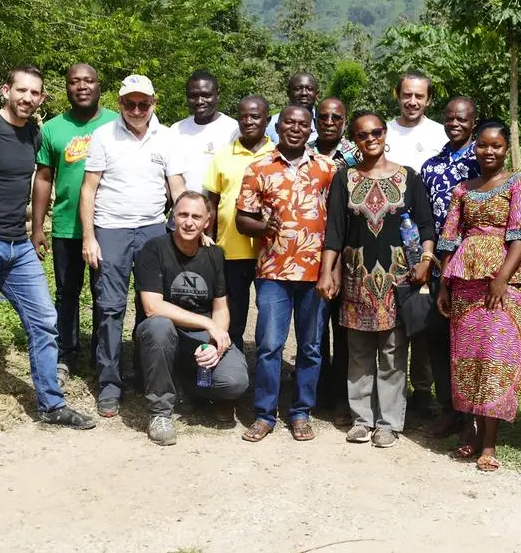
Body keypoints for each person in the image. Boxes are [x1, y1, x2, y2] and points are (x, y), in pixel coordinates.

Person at [0, 65, 95, 435]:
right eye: (21, 91)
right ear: (6, 90)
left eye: (35, 93)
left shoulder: (33, 133)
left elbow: (39, 182)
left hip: (18, 246)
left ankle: (51, 405)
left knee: (44, 322)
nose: (28, 99)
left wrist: (36, 230)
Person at [318, 110, 436, 448]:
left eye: (376, 133)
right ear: (354, 140)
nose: (370, 140)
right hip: (356, 278)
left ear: (385, 135)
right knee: (358, 352)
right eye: (362, 135)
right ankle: (361, 419)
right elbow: (334, 231)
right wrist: (327, 271)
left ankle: (388, 422)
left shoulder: (408, 178)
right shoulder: (344, 179)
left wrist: (426, 260)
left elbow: (426, 225)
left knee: (393, 352)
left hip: (398, 279)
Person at [435, 119, 521, 472]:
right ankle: (471, 432)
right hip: (464, 279)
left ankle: (490, 443)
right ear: (474, 148)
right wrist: (443, 284)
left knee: (497, 355)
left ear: (506, 148)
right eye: (483, 145)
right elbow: (449, 238)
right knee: (466, 355)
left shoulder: (518, 184)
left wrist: (501, 280)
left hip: (503, 281)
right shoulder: (463, 189)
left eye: (496, 145)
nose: (489, 151)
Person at [80, 74, 187, 418]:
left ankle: (147, 373)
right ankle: (110, 383)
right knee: (110, 307)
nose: (137, 110)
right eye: (130, 103)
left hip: (153, 229)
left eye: (144, 103)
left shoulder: (168, 137)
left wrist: (189, 227)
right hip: (111, 228)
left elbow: (177, 187)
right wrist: (89, 237)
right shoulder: (103, 135)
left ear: (154, 103)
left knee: (151, 307)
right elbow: (88, 189)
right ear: (120, 104)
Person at [237, 105, 336, 443]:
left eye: (303, 124)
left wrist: (331, 269)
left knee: (310, 347)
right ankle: (265, 414)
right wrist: (262, 225)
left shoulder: (327, 168)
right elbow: (242, 220)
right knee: (268, 345)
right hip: (273, 271)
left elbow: (337, 222)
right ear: (278, 126)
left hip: (315, 272)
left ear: (311, 129)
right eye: (289, 123)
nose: (296, 128)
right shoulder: (259, 167)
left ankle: (301, 412)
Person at [135, 191, 250, 445]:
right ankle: (160, 413)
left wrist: (214, 342)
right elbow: (152, 306)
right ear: (173, 217)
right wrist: (207, 323)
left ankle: (186, 385)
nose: (189, 222)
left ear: (207, 222)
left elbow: (220, 308)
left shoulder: (215, 254)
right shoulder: (153, 249)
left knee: (236, 382)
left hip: (197, 336)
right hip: (162, 334)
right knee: (159, 326)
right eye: (183, 215)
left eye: (196, 217)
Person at [31, 64, 118, 390]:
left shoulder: (116, 122)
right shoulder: (53, 129)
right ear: (66, 87)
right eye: (74, 81)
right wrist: (38, 227)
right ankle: (66, 354)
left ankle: (101, 355)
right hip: (67, 228)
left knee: (103, 295)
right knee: (66, 294)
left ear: (99, 86)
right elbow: (43, 178)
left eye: (89, 81)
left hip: (107, 226)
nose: (82, 86)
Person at [385, 70, 448, 417]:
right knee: (392, 316)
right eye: (407, 95)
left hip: (427, 238)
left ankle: (423, 391)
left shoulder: (439, 134)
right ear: (397, 95)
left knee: (423, 315)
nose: (412, 102)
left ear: (428, 99)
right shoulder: (384, 131)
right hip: (385, 237)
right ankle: (392, 390)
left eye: (419, 96)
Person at [419, 95, 481, 438]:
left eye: (463, 118)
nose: (455, 123)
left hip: (475, 265)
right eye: (450, 118)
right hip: (441, 264)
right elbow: (425, 218)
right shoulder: (431, 166)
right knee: (438, 338)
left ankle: (472, 412)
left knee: (471, 339)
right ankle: (448, 409)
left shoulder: (483, 159)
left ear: (473, 121)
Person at [203, 96, 275, 352]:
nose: (249, 121)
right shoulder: (222, 157)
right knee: (233, 314)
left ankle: (266, 367)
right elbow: (212, 202)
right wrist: (207, 240)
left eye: (255, 116)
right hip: (231, 250)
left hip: (270, 251)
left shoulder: (278, 155)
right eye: (243, 116)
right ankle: (231, 366)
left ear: (267, 119)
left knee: (269, 316)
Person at [309, 97, 360, 418]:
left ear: (344, 121)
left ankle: (342, 395)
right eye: (323, 116)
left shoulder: (356, 156)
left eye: (336, 117)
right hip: (308, 252)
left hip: (346, 252)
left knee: (343, 330)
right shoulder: (303, 149)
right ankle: (315, 391)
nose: (329, 121)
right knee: (313, 330)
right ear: (316, 118)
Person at [169, 70, 239, 194]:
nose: (199, 101)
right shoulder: (176, 129)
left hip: (220, 209)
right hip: (185, 209)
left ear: (217, 95)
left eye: (206, 95)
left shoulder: (233, 129)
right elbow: (174, 176)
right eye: (193, 96)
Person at [266, 72, 319, 144]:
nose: (304, 93)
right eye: (298, 89)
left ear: (316, 94)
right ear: (288, 93)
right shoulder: (271, 124)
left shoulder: (323, 122)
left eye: (309, 89)